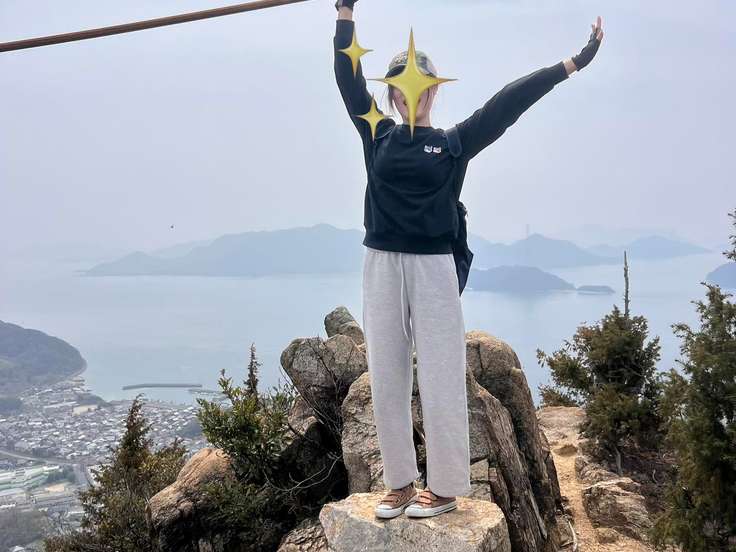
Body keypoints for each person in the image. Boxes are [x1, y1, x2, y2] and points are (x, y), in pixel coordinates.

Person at [332, 0, 603, 519]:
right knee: (385, 374)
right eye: (400, 87)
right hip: (381, 263)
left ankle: (445, 488)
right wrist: (345, 11)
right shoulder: (376, 132)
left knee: (440, 373)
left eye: (420, 86)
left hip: (433, 267)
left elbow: (509, 103)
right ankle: (399, 484)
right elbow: (347, 76)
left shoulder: (454, 143)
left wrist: (572, 64)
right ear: (392, 94)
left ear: (433, 92)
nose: (410, 95)